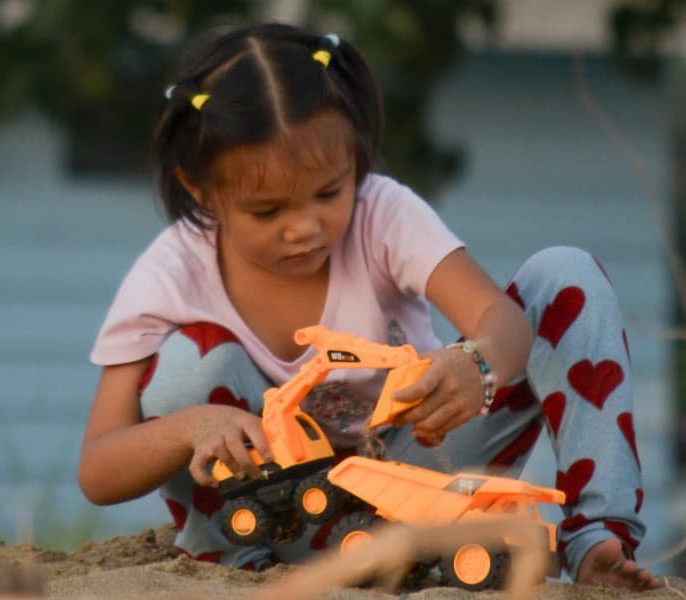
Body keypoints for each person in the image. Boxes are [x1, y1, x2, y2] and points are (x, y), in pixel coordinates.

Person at [78, 22, 660, 590]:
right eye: (266, 211)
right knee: (186, 361)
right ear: (201, 188)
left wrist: (476, 364)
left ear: (357, 157)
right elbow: (99, 470)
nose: (304, 227)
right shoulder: (171, 271)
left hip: (424, 483)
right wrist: (191, 428)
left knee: (564, 275)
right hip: (276, 517)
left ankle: (597, 541)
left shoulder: (382, 214)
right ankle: (235, 564)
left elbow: (501, 323)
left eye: (329, 192)